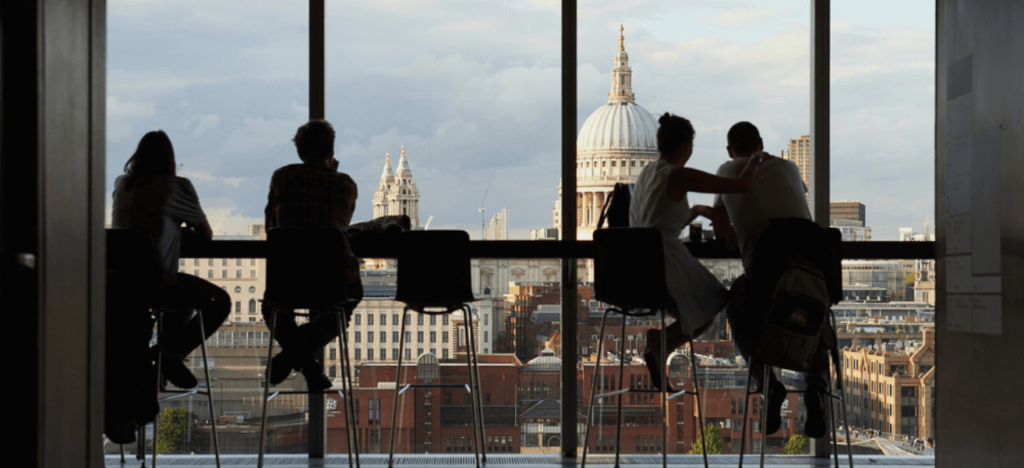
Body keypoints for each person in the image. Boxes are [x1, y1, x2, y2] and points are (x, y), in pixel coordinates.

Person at [708, 121, 839, 439]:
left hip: (767, 282)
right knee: (814, 316)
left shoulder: (727, 171)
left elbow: (723, 234)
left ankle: (768, 384)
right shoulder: (789, 167)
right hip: (815, 281)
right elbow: (796, 216)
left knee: (736, 302)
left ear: (730, 150)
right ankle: (817, 387)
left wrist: (736, 229)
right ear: (761, 143)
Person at [629, 113, 764, 391]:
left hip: (638, 266)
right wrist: (756, 159)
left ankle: (660, 345)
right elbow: (741, 186)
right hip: (665, 262)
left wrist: (697, 211)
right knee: (712, 304)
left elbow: (658, 220)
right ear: (685, 147)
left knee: (698, 312)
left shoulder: (646, 173)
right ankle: (659, 343)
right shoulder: (678, 174)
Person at [111, 130, 231, 389]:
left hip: (121, 286)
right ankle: (171, 353)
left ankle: (162, 366)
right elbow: (206, 234)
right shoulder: (178, 187)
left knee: (183, 302)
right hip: (157, 284)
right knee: (219, 301)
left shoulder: (122, 184)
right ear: (170, 159)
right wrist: (176, 229)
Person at [262, 119, 363, 392]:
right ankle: (304, 359)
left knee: (271, 308)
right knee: (347, 303)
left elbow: (270, 225)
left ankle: (299, 358)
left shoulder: (281, 177)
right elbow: (340, 226)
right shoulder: (346, 185)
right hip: (331, 283)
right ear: (331, 149)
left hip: (287, 280)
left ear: (300, 151)